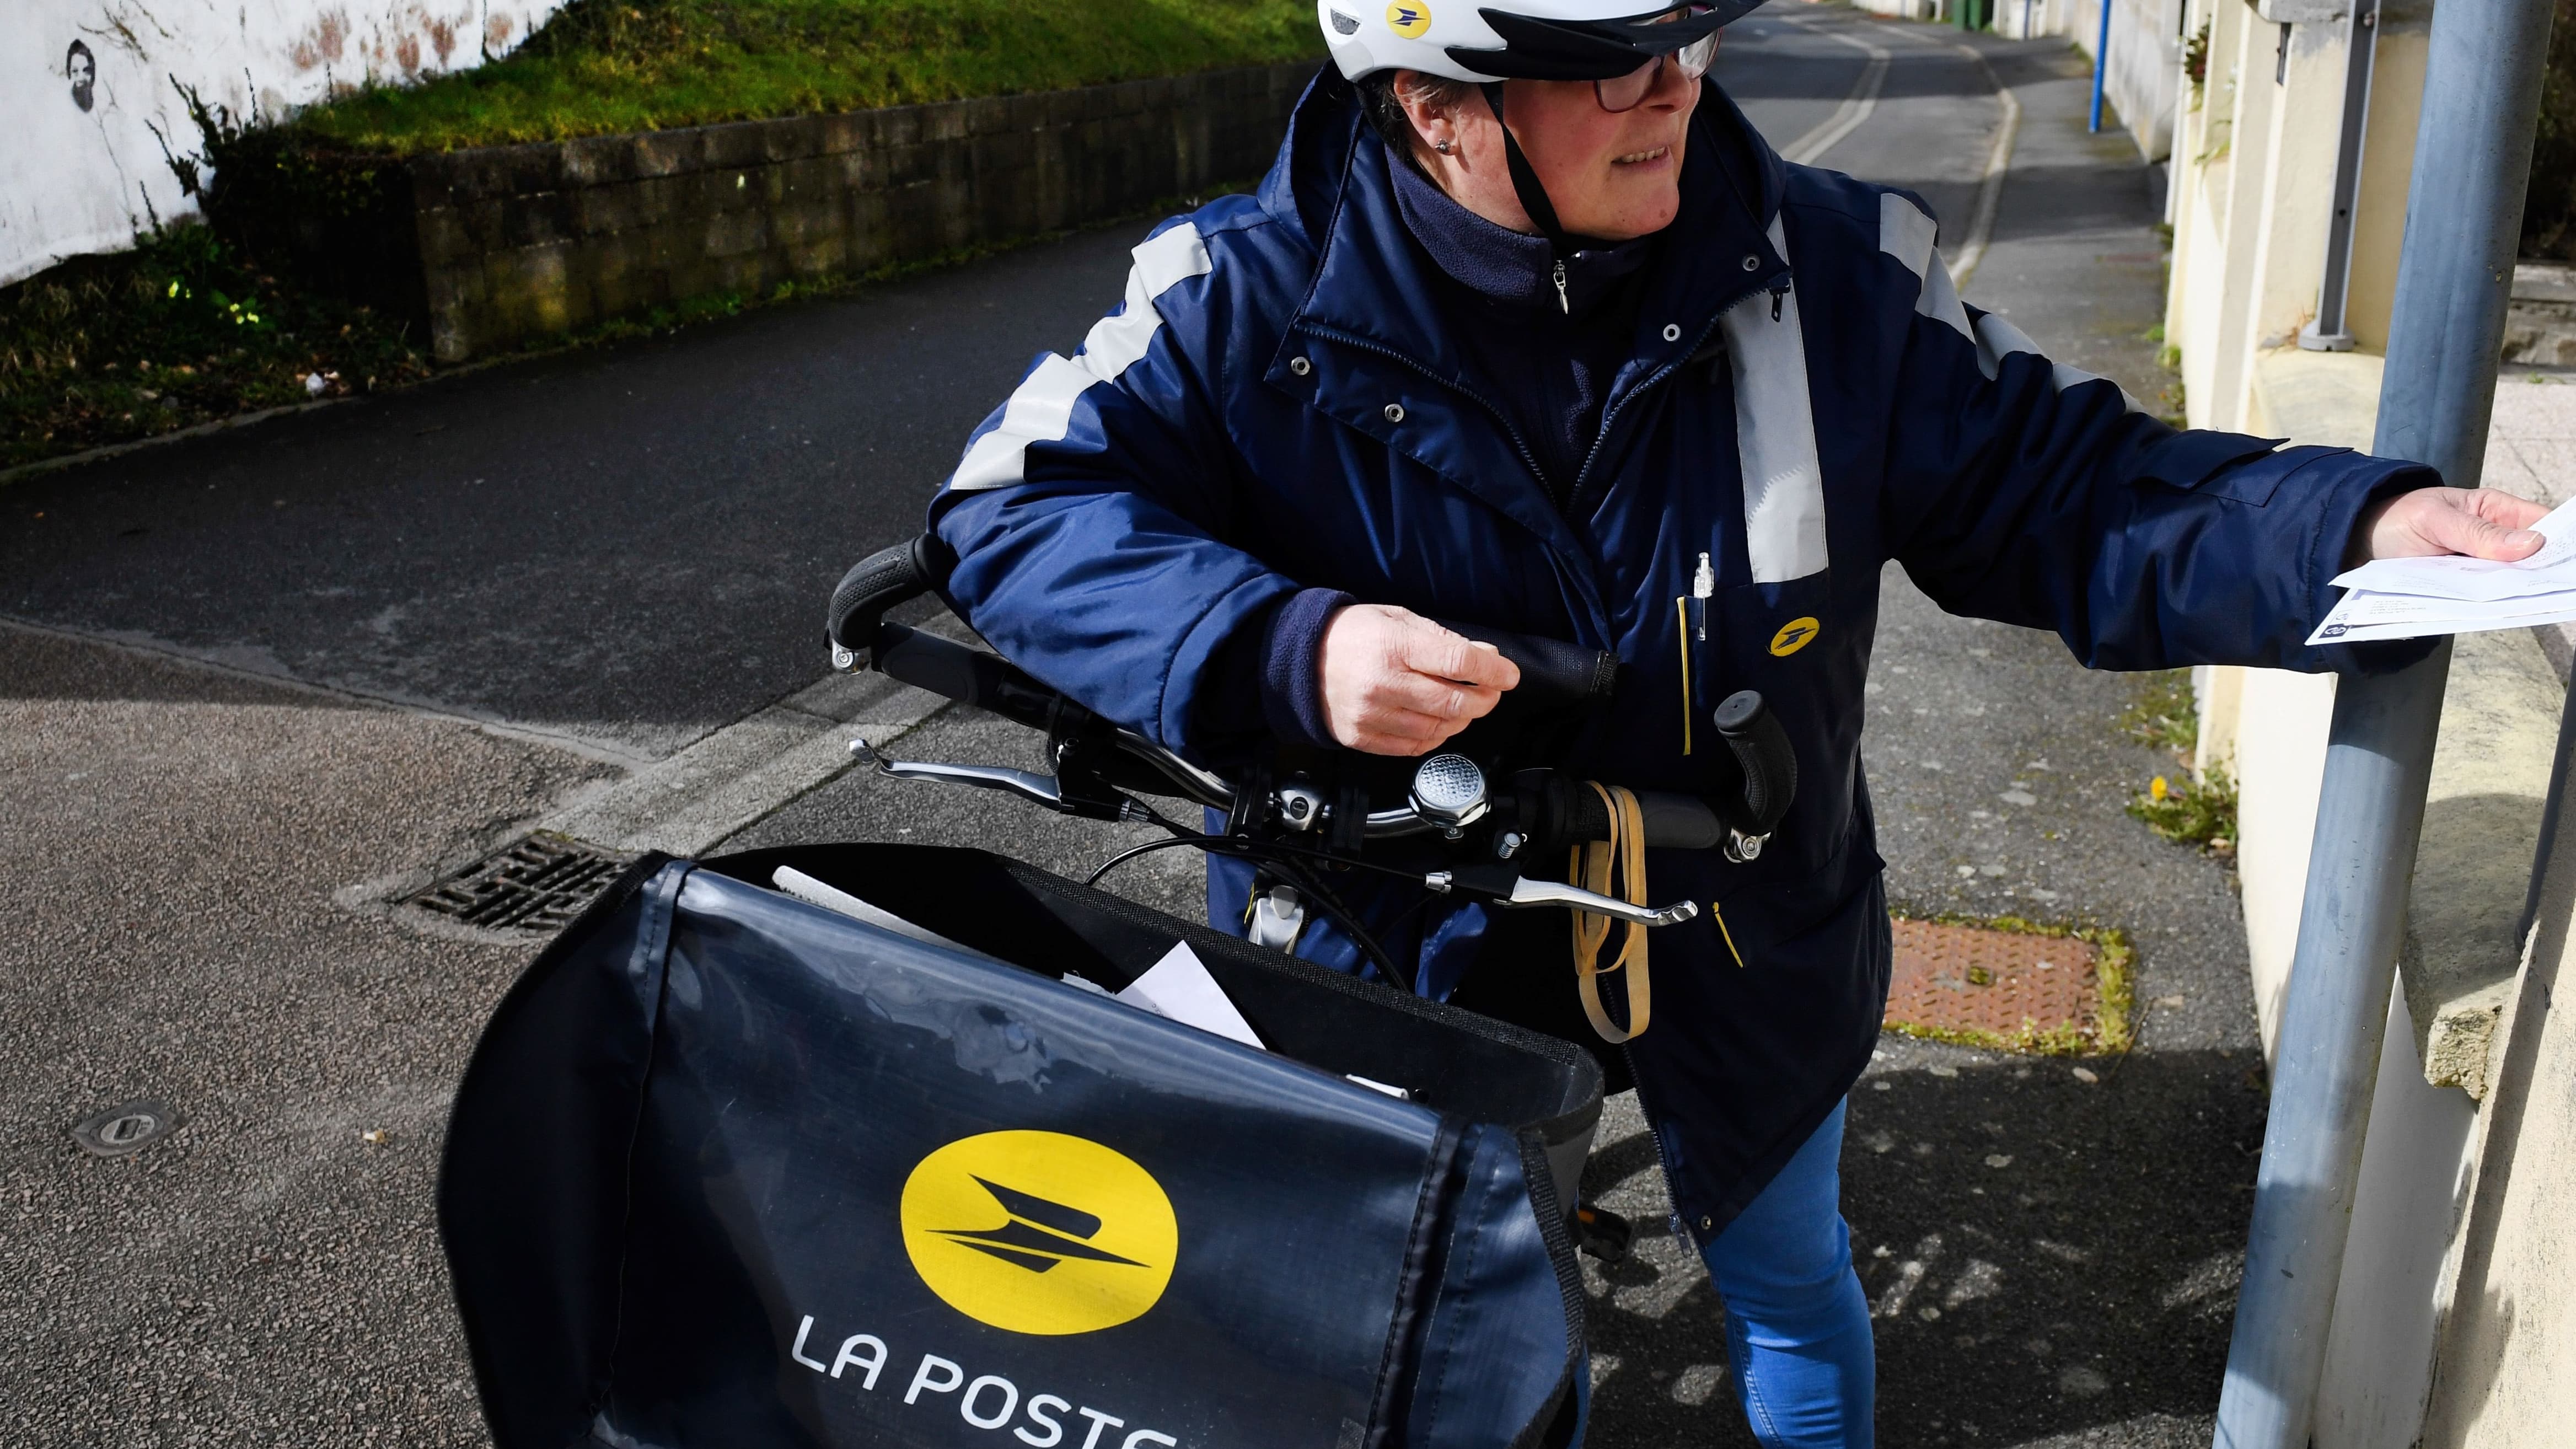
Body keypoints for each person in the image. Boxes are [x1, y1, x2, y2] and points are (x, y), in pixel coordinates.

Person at [925, 2, 2546, 1443]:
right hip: (1398, 949)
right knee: (1436, 1334)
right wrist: (1282, 643)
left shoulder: (1828, 271)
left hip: (1744, 923)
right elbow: (1011, 508)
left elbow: (2074, 488)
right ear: (1436, 104)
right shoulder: (1236, 296)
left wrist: (2350, 524)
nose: (1677, 87)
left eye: (1693, 37)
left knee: (1788, 1282)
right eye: (1613, 62)